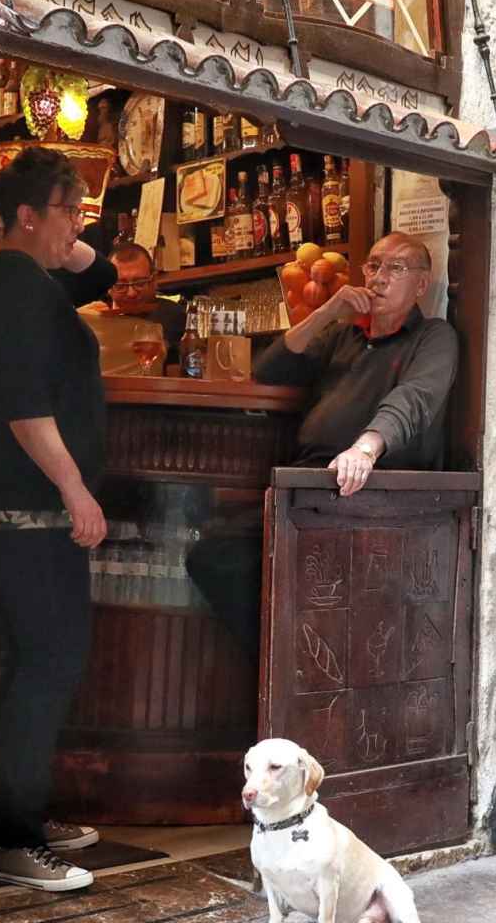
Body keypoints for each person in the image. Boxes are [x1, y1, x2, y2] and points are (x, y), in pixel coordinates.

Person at [185, 232, 458, 660]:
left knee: (242, 558)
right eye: (373, 265)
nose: (379, 278)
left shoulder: (433, 337)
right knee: (214, 552)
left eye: (396, 268)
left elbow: (414, 400)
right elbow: (269, 369)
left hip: (371, 491)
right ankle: (283, 656)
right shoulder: (344, 336)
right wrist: (330, 310)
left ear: (421, 285)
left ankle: (293, 658)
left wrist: (366, 448)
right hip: (311, 485)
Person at [0, 146, 114, 892]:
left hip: (33, 511)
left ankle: (23, 809)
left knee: (45, 664)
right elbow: (24, 405)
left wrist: (63, 219)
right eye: (70, 210)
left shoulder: (24, 275)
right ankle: (13, 839)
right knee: (45, 663)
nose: (82, 227)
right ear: (25, 216)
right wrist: (74, 490)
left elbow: (102, 271)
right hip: (26, 512)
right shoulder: (13, 281)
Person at [105, 241, 185, 364]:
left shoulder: (170, 313)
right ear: (108, 287)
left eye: (139, 283)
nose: (131, 293)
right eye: (121, 285)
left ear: (154, 281)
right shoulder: (97, 316)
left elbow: (158, 353)